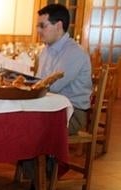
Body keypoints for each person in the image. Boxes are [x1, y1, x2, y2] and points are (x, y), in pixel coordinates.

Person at [36, 3, 92, 135]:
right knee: (18, 119)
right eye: (38, 26)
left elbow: (52, 87)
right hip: (51, 105)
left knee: (28, 126)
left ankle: (50, 155)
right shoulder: (46, 50)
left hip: (72, 112)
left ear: (59, 26)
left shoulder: (74, 52)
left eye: (42, 26)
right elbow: (39, 82)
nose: (38, 30)